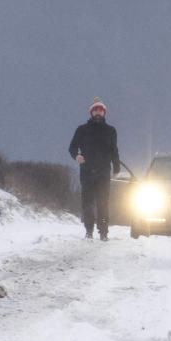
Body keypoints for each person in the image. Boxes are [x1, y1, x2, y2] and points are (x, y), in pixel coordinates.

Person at [68, 97, 121, 240]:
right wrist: (76, 156)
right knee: (88, 202)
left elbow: (114, 151)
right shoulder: (82, 129)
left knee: (103, 203)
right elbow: (72, 147)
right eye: (95, 110)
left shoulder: (111, 130)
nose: (98, 112)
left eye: (100, 110)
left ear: (104, 113)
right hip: (87, 172)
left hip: (104, 172)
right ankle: (89, 230)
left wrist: (116, 167)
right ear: (91, 112)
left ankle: (103, 233)